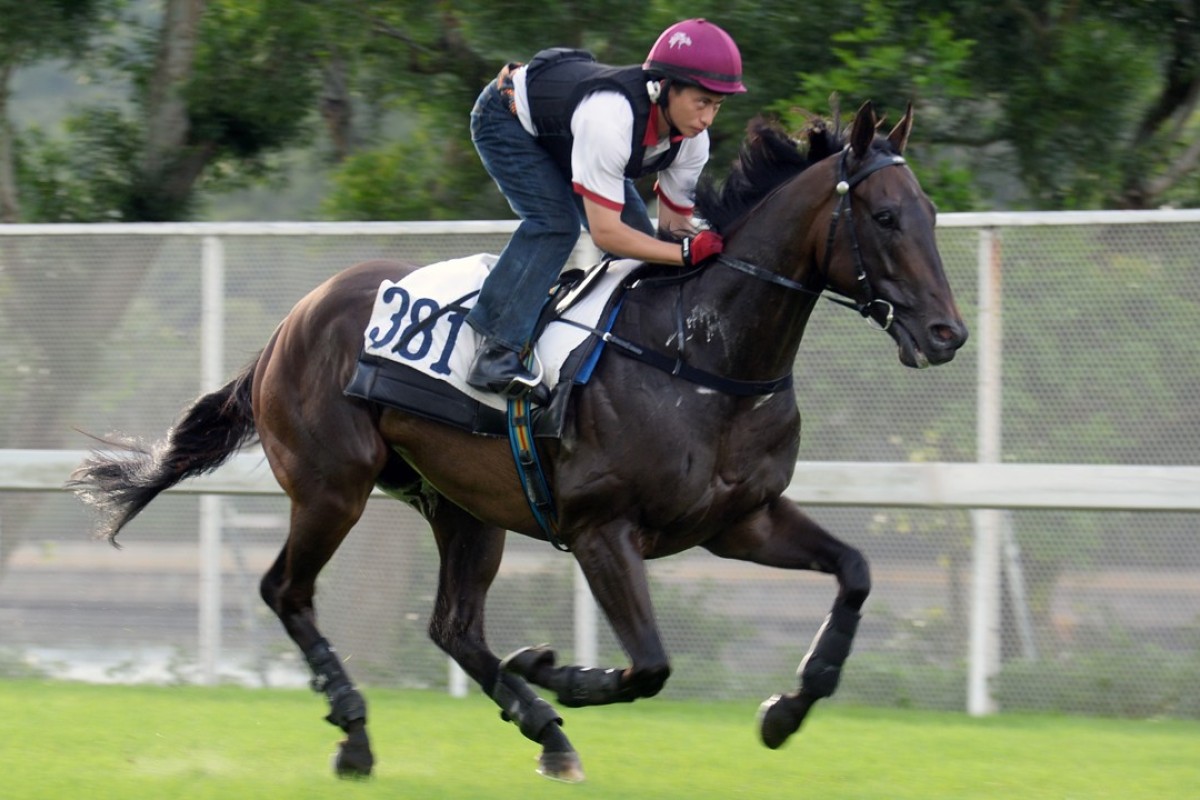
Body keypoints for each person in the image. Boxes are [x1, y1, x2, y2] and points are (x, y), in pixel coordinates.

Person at [465, 18, 746, 398]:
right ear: (664, 88)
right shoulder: (610, 118)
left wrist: (707, 248)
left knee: (643, 248)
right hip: (506, 118)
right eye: (701, 102)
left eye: (717, 105)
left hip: (567, 134)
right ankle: (495, 351)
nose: (708, 118)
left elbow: (674, 227)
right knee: (556, 225)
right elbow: (606, 232)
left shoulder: (694, 141)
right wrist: (682, 253)